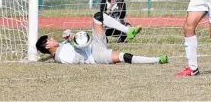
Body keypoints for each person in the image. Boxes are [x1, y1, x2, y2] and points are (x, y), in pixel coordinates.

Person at [35, 13, 167, 65]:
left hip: (94, 43)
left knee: (98, 17)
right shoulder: (60, 56)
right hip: (94, 55)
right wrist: (72, 40)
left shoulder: (59, 48)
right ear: (47, 46)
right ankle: (157, 60)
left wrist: (70, 35)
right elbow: (78, 58)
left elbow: (79, 40)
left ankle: (128, 31)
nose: (53, 38)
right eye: (50, 39)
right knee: (123, 56)